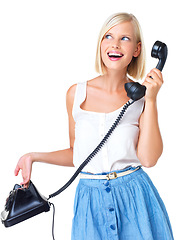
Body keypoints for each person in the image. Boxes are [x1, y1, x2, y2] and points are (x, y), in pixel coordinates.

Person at [14, 12, 174, 240]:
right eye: (108, 36)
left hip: (135, 198)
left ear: (137, 50)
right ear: (101, 44)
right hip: (90, 202)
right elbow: (77, 154)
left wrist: (151, 99)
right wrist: (34, 156)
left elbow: (148, 159)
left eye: (125, 39)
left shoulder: (141, 97)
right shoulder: (75, 94)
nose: (115, 44)